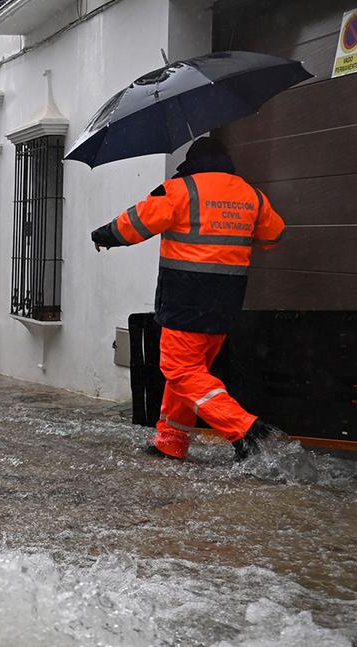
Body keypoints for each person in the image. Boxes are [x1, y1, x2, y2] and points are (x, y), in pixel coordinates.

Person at [91, 137, 285, 461]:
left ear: (191, 163)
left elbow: (136, 223)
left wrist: (104, 235)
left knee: (179, 370)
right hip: (225, 302)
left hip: (186, 297)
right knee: (190, 372)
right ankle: (170, 441)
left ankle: (246, 430)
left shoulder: (180, 190)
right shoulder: (251, 195)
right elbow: (273, 234)